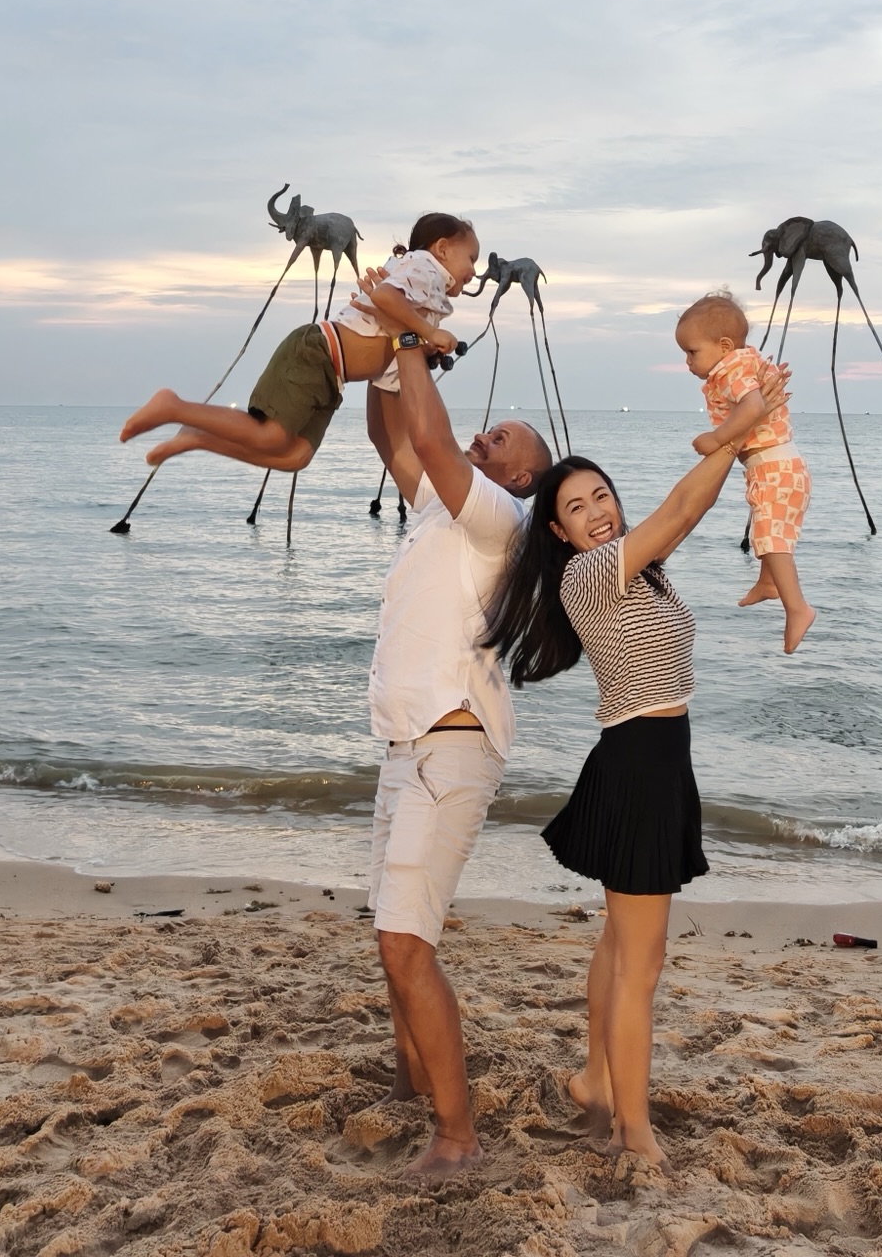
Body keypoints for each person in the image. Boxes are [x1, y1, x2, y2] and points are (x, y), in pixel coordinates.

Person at [480, 357, 785, 1168]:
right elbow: (684, 509)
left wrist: (738, 435)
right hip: (638, 764)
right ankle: (632, 1130)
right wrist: (740, 428)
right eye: (575, 508)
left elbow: (683, 516)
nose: (595, 513)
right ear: (560, 533)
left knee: (620, 949)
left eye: (601, 496)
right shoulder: (589, 576)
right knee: (640, 968)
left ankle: (593, 1082)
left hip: (654, 758)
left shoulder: (640, 576)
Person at [357, 305, 553, 1180]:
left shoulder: (500, 518)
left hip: (453, 744)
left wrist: (409, 337)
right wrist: (387, 367)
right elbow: (396, 439)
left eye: (500, 435)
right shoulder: (443, 511)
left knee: (407, 942)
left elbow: (433, 444)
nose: (482, 437)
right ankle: (412, 1082)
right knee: (393, 938)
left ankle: (459, 1136)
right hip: (408, 744)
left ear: (525, 473)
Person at [115, 213, 479, 474]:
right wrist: (429, 334)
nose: (474, 271)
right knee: (272, 436)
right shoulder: (425, 266)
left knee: (295, 457)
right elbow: (384, 296)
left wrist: (423, 347)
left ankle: (197, 438)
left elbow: (394, 374)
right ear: (443, 248)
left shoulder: (427, 298)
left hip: (332, 377)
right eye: (472, 258)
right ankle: (174, 406)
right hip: (317, 353)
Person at [676, 290, 815, 653]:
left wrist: (717, 437)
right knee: (765, 530)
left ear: (723, 346)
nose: (687, 363)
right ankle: (768, 582)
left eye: (692, 352)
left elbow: (753, 404)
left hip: (775, 465)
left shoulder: (731, 369)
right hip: (774, 466)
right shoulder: (740, 363)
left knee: (772, 537)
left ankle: (797, 607)